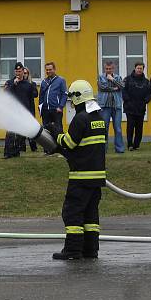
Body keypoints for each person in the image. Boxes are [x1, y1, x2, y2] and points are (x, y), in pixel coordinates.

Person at [52, 80, 107, 261]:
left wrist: (56, 133)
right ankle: (90, 250)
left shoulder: (81, 118)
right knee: (91, 215)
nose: (72, 104)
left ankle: (73, 251)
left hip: (81, 176)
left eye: (72, 99)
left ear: (77, 97)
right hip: (97, 177)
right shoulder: (98, 119)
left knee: (72, 213)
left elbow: (69, 143)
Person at [3, 63, 34, 158]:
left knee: (21, 134)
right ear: (14, 71)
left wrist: (31, 113)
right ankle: (8, 153)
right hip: (12, 112)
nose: (18, 73)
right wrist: (14, 84)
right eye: (16, 71)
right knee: (10, 133)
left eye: (20, 71)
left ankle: (16, 152)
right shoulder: (10, 82)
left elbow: (30, 100)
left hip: (23, 112)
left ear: (23, 72)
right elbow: (6, 94)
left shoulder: (28, 85)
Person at [96, 60, 125, 153]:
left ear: (113, 68)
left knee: (118, 128)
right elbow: (102, 87)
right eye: (106, 69)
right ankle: (103, 149)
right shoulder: (100, 77)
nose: (108, 70)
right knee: (104, 128)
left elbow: (122, 86)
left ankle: (119, 149)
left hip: (116, 106)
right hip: (104, 106)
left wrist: (112, 80)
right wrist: (114, 88)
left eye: (110, 69)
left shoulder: (118, 77)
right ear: (105, 68)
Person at [122, 62, 151, 151]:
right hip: (130, 108)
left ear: (143, 69)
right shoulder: (127, 79)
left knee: (139, 128)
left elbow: (150, 93)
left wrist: (146, 100)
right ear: (135, 68)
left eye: (141, 68)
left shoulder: (146, 81)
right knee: (130, 127)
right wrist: (127, 100)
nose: (139, 70)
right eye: (138, 68)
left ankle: (136, 145)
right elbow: (123, 91)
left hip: (141, 107)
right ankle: (130, 145)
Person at [39, 61, 67, 154]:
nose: (48, 71)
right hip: (45, 110)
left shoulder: (61, 80)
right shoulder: (43, 82)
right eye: (47, 70)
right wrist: (40, 108)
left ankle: (61, 148)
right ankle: (47, 149)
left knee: (58, 129)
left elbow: (64, 94)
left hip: (56, 109)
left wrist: (61, 106)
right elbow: (41, 96)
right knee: (46, 130)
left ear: (54, 69)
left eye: (50, 69)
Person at [21, 68, 39, 152]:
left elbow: (35, 94)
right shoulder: (18, 84)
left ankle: (33, 147)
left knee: (31, 128)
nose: (24, 75)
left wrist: (29, 86)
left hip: (30, 109)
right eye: (23, 73)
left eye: (26, 73)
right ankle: (22, 147)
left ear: (28, 74)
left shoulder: (32, 84)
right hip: (21, 110)